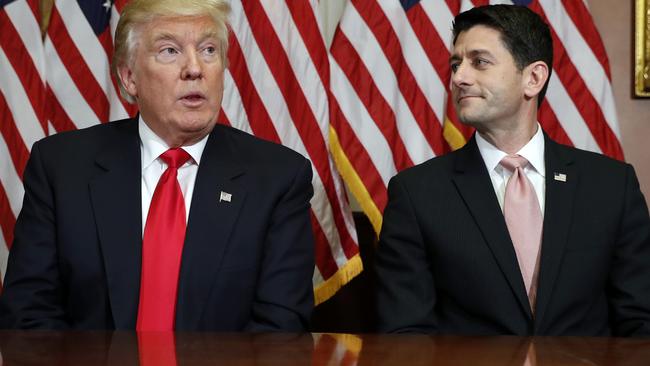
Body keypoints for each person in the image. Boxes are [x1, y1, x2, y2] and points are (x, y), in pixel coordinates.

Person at [0, 0, 315, 332]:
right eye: (170, 50)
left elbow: (279, 331)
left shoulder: (278, 178)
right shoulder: (62, 168)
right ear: (129, 78)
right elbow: (29, 317)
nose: (195, 68)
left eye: (208, 50)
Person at [375, 4, 650, 336]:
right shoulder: (416, 192)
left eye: (480, 62)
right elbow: (407, 334)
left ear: (533, 78)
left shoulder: (610, 186)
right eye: (456, 64)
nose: (459, 77)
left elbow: (639, 323)